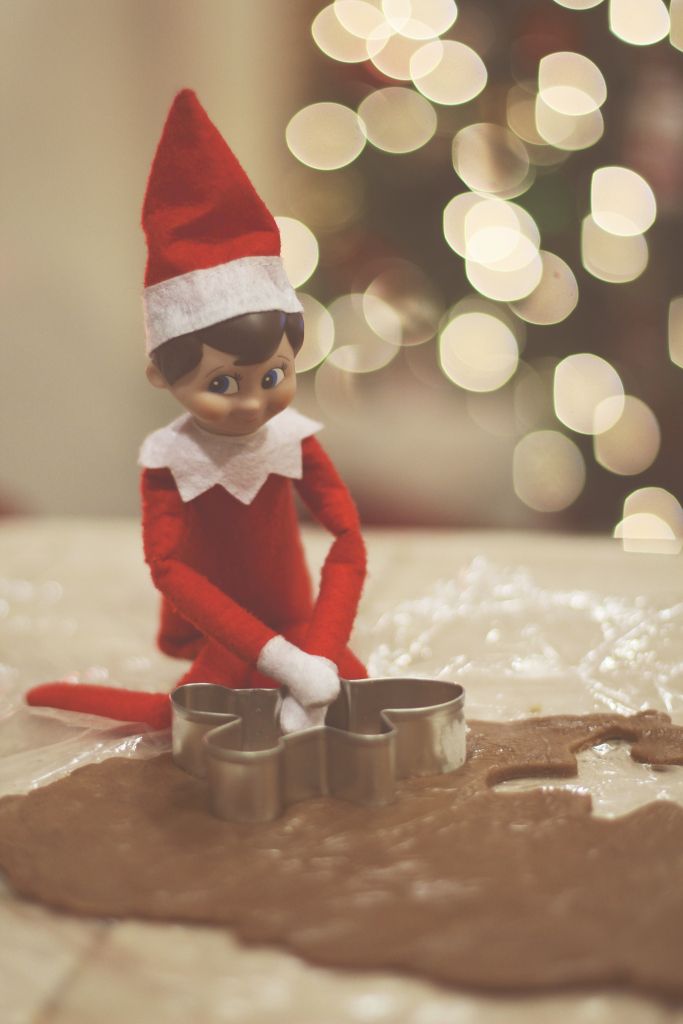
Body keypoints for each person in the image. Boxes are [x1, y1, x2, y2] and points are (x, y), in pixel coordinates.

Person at [27, 89, 367, 732]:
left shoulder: (294, 440)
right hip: (226, 639)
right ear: (160, 373)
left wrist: (318, 650)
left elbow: (348, 541)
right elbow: (169, 569)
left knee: (354, 705)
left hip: (300, 622)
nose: (255, 402)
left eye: (273, 375)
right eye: (223, 383)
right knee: (191, 722)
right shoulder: (169, 464)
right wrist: (281, 661)